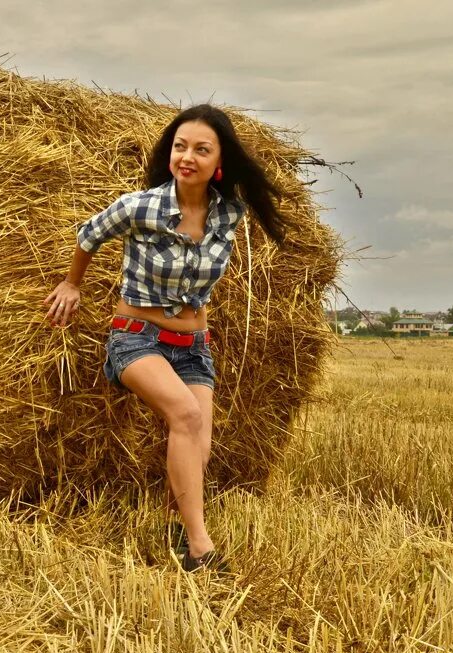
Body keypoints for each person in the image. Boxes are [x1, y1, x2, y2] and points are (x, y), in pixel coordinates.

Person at [42, 104, 287, 572]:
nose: (187, 157)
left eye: (201, 149)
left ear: (220, 162)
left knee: (201, 445)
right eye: (180, 146)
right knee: (186, 414)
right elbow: (89, 235)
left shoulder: (229, 213)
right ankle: (200, 547)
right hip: (137, 338)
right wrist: (72, 284)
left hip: (194, 347)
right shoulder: (141, 206)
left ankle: (176, 529)